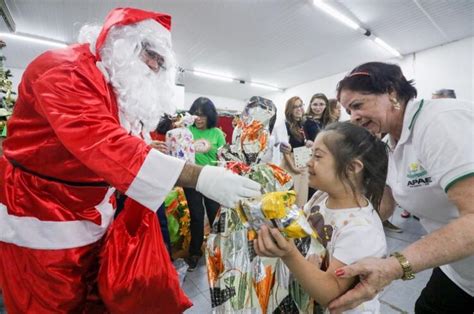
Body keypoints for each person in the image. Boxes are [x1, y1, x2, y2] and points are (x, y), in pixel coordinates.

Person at [0, 8, 261, 312]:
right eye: (148, 52)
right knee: (50, 301)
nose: (153, 65)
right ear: (118, 43)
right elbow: (103, 142)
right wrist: (201, 177)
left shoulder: (116, 89)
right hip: (42, 214)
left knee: (91, 296)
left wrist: (147, 146)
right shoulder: (65, 70)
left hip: (92, 214)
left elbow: (108, 136)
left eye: (160, 62)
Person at [329, 62, 474, 313]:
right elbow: (383, 205)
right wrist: (336, 223)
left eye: (358, 105)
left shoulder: (439, 122)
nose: (353, 117)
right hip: (460, 269)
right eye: (348, 110)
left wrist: (394, 267)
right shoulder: (389, 143)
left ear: (392, 92)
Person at [255, 122, 388, 313]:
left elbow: (330, 294)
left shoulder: (360, 229)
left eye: (318, 156)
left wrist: (289, 254)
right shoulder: (322, 196)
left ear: (352, 167)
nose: (309, 161)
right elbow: (304, 225)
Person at [183, 97, 226, 271]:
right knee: (196, 216)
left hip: (212, 178)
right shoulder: (186, 130)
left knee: (215, 215)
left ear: (209, 116)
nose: (198, 119)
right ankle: (195, 252)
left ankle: (218, 251)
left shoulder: (216, 133)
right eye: (195, 114)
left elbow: (223, 157)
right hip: (191, 179)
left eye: (202, 115)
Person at [281, 96, 309, 207]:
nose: (299, 109)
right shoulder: (286, 125)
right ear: (290, 110)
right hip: (291, 163)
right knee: (290, 197)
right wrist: (292, 167)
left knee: (302, 198)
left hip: (303, 162)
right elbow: (285, 149)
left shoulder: (302, 124)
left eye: (300, 105)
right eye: (295, 107)